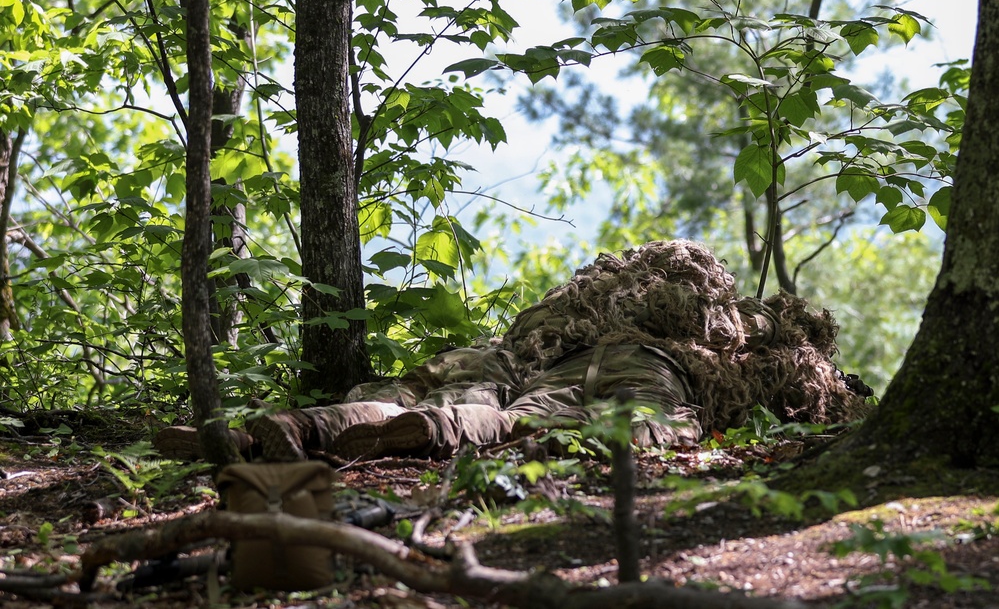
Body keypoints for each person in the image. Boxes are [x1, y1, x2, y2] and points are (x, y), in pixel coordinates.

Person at [155, 240, 872, 462]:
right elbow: (809, 399)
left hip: (523, 349)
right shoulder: (763, 341)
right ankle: (424, 437)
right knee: (542, 418)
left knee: (432, 389)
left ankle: (285, 428)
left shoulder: (593, 296)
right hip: (640, 369)